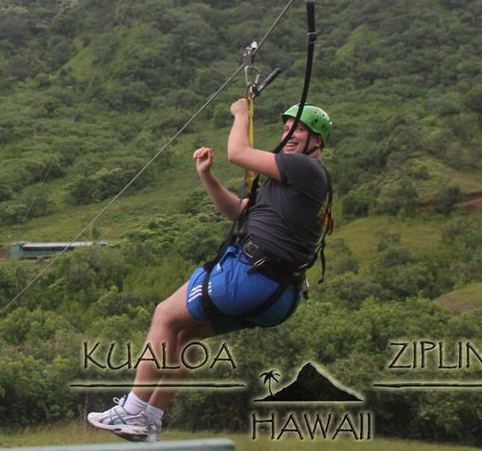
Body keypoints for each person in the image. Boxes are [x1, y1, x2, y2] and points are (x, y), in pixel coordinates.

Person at [87, 98, 333, 442]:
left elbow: (238, 152)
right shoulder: (291, 183)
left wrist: (242, 114)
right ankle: (151, 419)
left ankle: (132, 407)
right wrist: (207, 176)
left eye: (300, 129)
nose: (289, 133)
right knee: (185, 335)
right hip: (279, 298)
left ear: (318, 140)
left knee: (164, 315)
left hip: (250, 278)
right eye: (287, 127)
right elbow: (237, 212)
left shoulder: (306, 170)